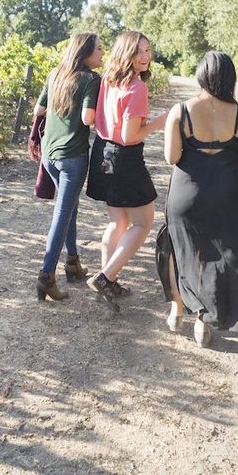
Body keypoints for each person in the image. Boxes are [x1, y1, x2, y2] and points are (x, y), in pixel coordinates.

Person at [162, 51, 238, 347]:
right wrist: (237, 191)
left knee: (178, 249)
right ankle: (204, 319)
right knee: (222, 254)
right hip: (228, 192)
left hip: (186, 194)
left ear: (200, 75)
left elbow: (172, 157)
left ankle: (177, 309)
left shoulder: (181, 111)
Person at [85, 30, 166, 308]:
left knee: (117, 222)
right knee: (143, 223)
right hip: (125, 158)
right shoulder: (137, 88)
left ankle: (109, 281)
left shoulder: (108, 80)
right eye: (138, 51)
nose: (145, 57)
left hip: (102, 153)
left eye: (147, 50)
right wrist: (162, 120)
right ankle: (106, 277)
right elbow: (131, 135)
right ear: (126, 53)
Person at [31, 32, 104, 302]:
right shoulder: (90, 79)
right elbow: (88, 119)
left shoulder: (55, 74)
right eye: (98, 49)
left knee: (70, 207)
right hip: (73, 157)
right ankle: (46, 276)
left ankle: (73, 263)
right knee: (62, 215)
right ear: (84, 52)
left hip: (49, 155)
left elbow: (38, 110)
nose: (102, 54)